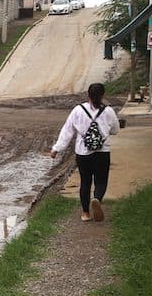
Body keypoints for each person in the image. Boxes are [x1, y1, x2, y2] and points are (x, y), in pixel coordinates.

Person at [50, 83, 120, 222]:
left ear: (88, 95)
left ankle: (86, 213)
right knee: (101, 180)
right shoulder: (108, 111)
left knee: (85, 182)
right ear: (103, 95)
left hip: (83, 153)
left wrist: (56, 148)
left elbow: (67, 131)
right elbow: (115, 130)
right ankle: (97, 199)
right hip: (102, 151)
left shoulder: (78, 110)